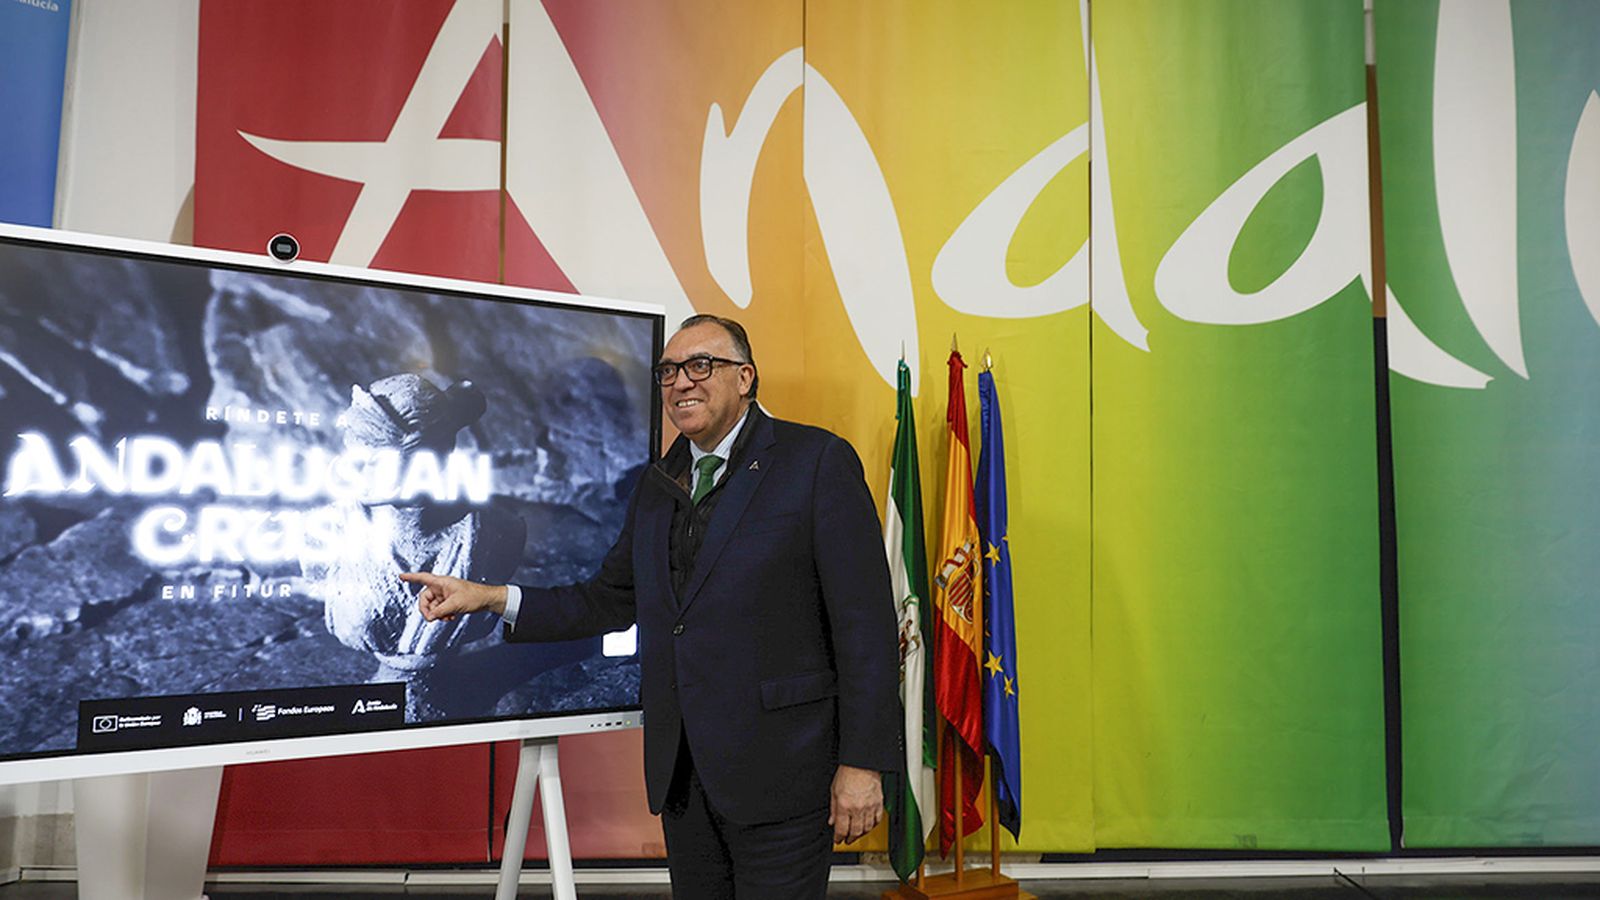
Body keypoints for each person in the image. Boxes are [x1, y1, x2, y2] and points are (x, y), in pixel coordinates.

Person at [401, 314, 900, 898]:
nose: (681, 383)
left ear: (745, 377)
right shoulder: (659, 482)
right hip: (685, 782)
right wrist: (489, 598)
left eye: (700, 366)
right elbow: (607, 600)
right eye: (668, 371)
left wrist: (863, 765)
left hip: (784, 778)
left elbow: (865, 626)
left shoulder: (814, 462)